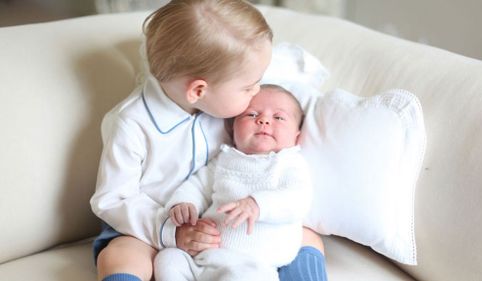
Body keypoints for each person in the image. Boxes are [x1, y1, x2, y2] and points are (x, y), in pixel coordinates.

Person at [90, 1, 326, 281]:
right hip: (150, 227)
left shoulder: (225, 99)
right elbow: (112, 199)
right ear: (198, 90)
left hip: (226, 228)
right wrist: (171, 231)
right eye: (249, 87)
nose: (256, 92)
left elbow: (282, 84)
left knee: (308, 237)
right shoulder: (131, 123)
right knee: (122, 255)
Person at [154, 84, 311, 281]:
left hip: (252, 266)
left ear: (297, 137)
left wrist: (258, 204)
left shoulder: (289, 163)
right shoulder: (225, 158)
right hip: (203, 259)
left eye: (278, 117)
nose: (263, 120)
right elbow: (198, 185)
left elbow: (298, 199)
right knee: (168, 259)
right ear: (233, 127)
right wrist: (184, 204)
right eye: (252, 115)